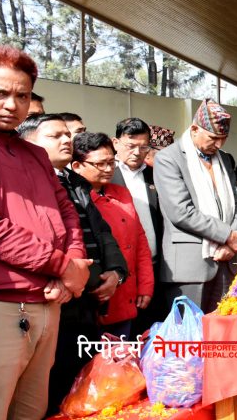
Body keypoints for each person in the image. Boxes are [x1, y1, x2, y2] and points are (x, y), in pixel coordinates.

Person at [0, 44, 90, 420]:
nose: (12, 104)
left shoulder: (35, 155)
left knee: (32, 409)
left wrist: (74, 267)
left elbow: (67, 214)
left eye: (22, 95)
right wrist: (64, 266)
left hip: (49, 302)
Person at [18, 114, 129, 415]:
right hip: (53, 296)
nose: (67, 140)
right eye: (55, 136)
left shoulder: (75, 182)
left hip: (87, 298)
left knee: (82, 384)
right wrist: (63, 276)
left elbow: (101, 232)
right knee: (50, 387)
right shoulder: (24, 182)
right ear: (28, 143)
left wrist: (116, 273)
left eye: (67, 134)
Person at [154, 99, 237, 312]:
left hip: (227, 261)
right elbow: (181, 211)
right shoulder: (168, 158)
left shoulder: (223, 159)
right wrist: (227, 235)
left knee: (224, 328)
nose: (219, 145)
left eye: (224, 139)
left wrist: (232, 242)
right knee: (190, 330)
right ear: (194, 129)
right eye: (213, 138)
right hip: (190, 267)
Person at [72, 132, 154, 338]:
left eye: (111, 162)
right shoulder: (73, 200)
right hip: (95, 295)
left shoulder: (121, 193)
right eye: (101, 164)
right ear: (77, 166)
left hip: (126, 290)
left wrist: (145, 284)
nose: (109, 169)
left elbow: (140, 241)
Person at [111, 117, 165, 335]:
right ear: (115, 143)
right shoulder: (106, 175)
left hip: (153, 265)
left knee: (150, 333)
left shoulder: (155, 175)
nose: (137, 152)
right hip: (119, 270)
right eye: (131, 146)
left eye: (144, 147)